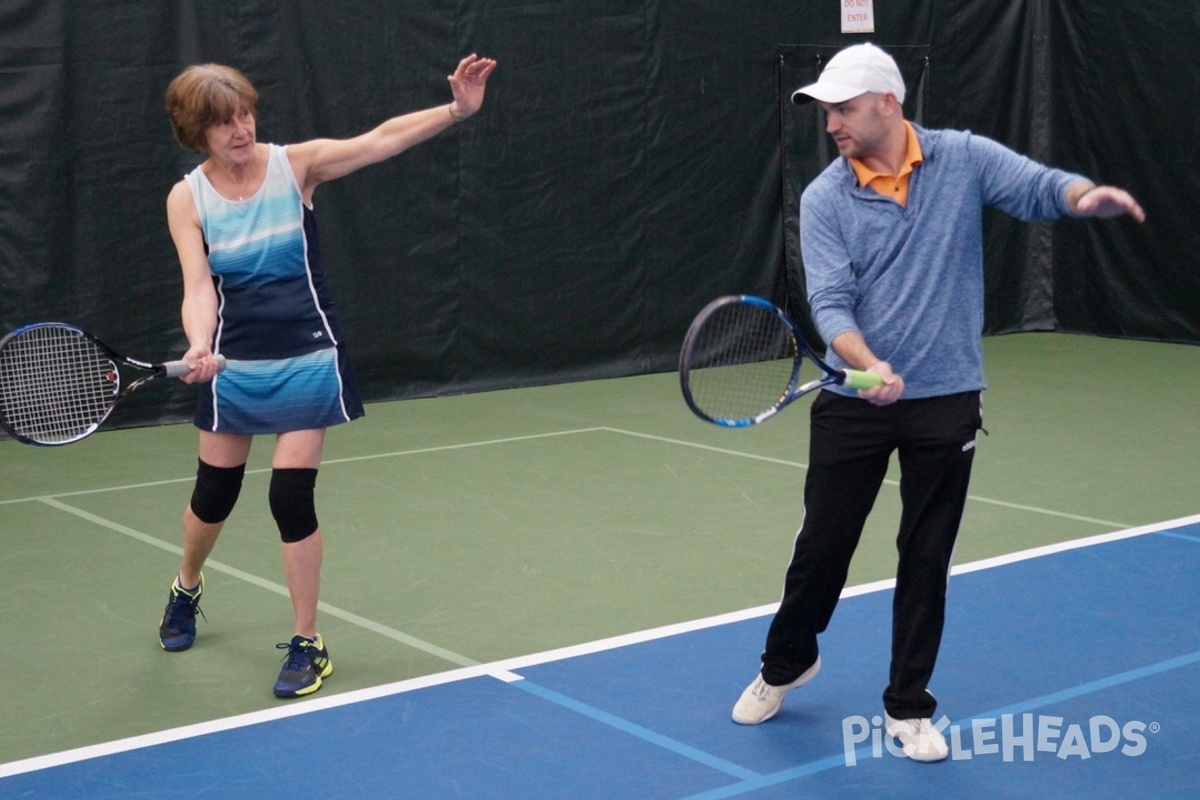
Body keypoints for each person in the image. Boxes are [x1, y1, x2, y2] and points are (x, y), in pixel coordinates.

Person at [731, 43, 1143, 760]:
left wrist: (1083, 196)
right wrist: (868, 362)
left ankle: (908, 705)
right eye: (825, 110)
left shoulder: (962, 157)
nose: (831, 122)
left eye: (844, 108)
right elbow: (829, 303)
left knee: (927, 556)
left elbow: (1038, 186)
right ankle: (787, 660)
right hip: (855, 399)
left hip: (946, 396)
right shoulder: (824, 197)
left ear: (888, 103)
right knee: (821, 551)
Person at [156, 54, 497, 698]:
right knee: (214, 496)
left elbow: (379, 141)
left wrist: (456, 109)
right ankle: (187, 586)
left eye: (245, 113)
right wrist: (200, 343)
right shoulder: (187, 197)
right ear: (195, 131)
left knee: (289, 497)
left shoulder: (294, 165)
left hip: (309, 355)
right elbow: (198, 286)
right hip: (235, 362)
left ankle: (309, 643)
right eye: (223, 122)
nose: (240, 129)